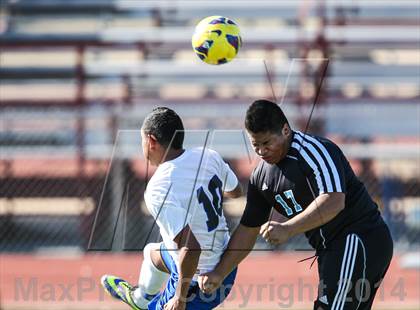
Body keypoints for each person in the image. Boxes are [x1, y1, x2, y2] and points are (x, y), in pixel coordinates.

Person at [199, 99, 393, 310]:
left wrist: (288, 228)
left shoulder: (315, 151)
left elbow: (334, 200)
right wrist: (220, 272)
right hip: (331, 250)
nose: (262, 151)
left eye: (266, 143)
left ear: (285, 130)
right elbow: (248, 227)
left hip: (358, 238)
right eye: (255, 145)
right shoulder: (261, 176)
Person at [101, 107, 241, 310]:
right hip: (226, 263)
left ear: (151, 141)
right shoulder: (208, 156)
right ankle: (140, 298)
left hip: (203, 283)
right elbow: (236, 191)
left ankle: (151, 302)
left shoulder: (158, 187)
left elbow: (191, 248)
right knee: (152, 253)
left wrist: (179, 298)